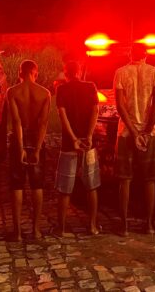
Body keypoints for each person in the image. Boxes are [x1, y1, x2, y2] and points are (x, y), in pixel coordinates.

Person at [114, 43, 155, 236]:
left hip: (126, 133)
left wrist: (134, 132)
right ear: (146, 55)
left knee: (124, 180)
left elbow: (120, 106)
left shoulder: (120, 72)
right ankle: (149, 224)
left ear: (130, 54)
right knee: (149, 180)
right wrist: (147, 130)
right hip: (149, 134)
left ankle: (124, 226)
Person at [5, 60, 50, 240]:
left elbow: (16, 121)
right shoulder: (44, 93)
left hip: (19, 138)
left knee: (17, 185)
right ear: (35, 72)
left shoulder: (13, 92)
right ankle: (36, 229)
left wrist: (21, 146)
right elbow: (44, 123)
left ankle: (17, 233)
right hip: (36, 138)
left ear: (20, 73)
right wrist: (37, 149)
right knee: (37, 184)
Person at [55, 61, 101, 236]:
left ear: (66, 72)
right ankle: (92, 226)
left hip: (69, 144)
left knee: (65, 188)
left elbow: (62, 114)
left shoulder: (62, 89)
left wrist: (73, 138)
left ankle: (62, 228)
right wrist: (88, 136)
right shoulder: (91, 87)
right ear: (80, 71)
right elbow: (95, 111)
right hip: (89, 145)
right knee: (92, 186)